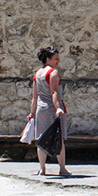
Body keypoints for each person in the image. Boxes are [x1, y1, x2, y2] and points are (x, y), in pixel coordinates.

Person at [30, 46, 71, 176]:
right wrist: (58, 107)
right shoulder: (53, 73)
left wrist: (32, 113)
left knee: (41, 140)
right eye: (56, 58)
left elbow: (35, 96)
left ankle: (42, 169)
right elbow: (54, 92)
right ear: (48, 59)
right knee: (58, 138)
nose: (58, 61)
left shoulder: (37, 74)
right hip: (52, 110)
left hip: (41, 110)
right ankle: (62, 168)